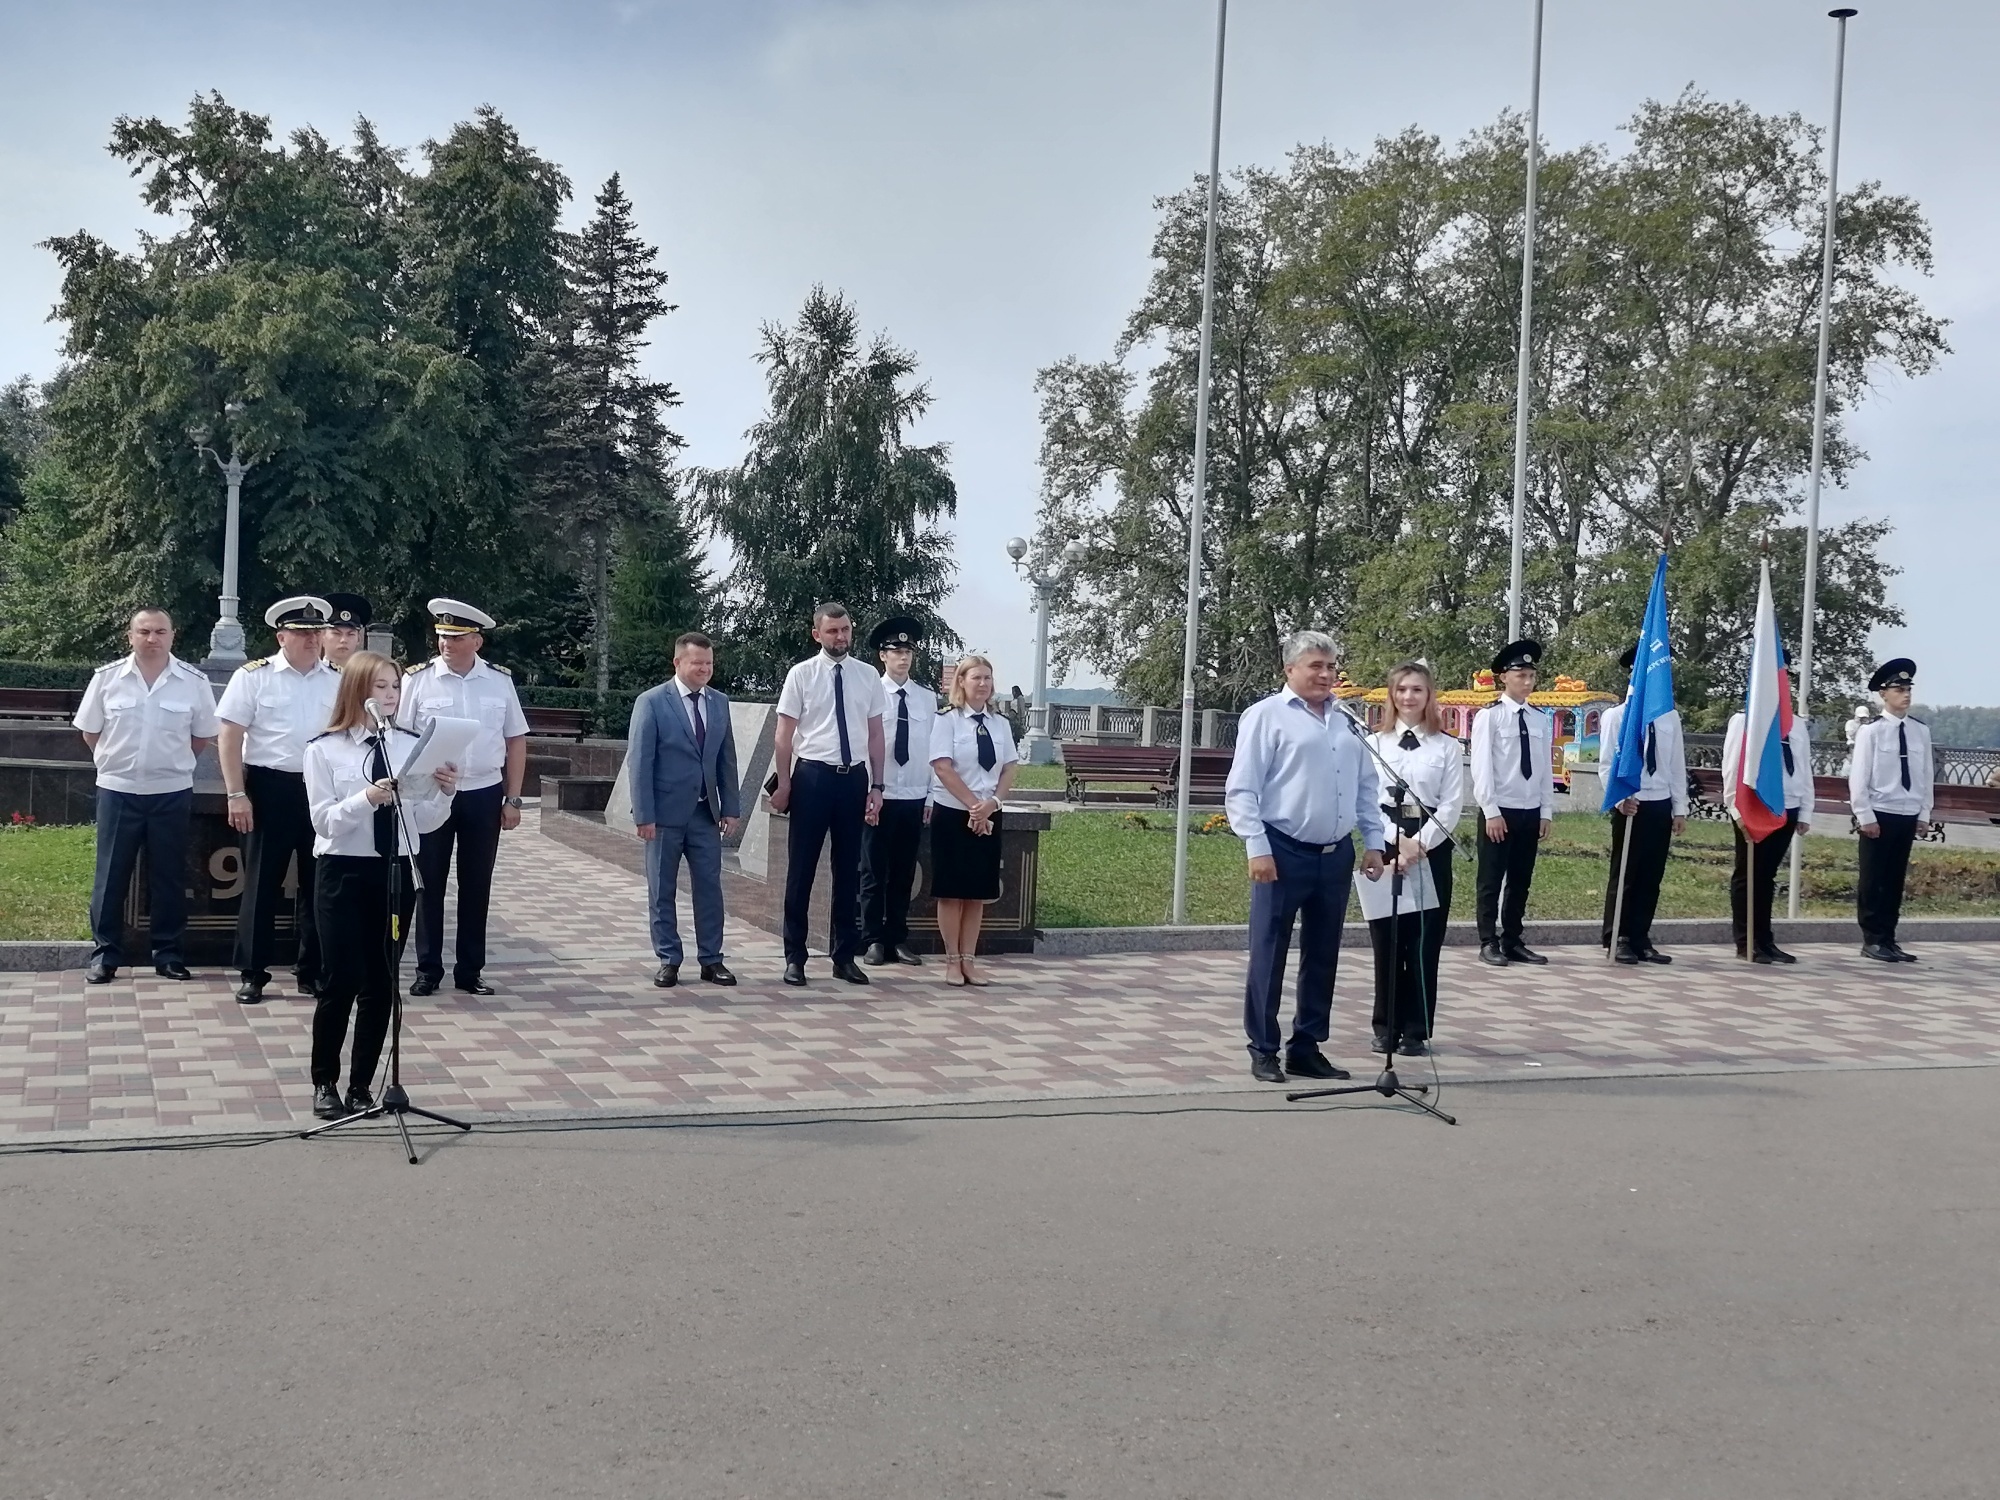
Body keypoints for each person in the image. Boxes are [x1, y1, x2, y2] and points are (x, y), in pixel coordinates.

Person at [1224, 631, 1387, 1084]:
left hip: (1335, 853)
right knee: (1269, 951)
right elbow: (1242, 788)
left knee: (1323, 953)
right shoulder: (1266, 717)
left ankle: (1307, 1045)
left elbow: (1367, 787)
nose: (1326, 674)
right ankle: (1263, 1047)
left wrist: (1374, 840)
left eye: (1332, 666)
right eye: (1316, 666)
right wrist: (1256, 846)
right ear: (1289, 669)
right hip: (1282, 850)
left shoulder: (1348, 721)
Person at [302, 652, 458, 1121]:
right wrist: (367, 797)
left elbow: (423, 822)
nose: (389, 696)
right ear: (356, 691)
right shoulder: (324, 749)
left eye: (394, 688)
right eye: (380, 687)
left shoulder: (409, 745)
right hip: (343, 872)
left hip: (393, 872)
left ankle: (361, 1086)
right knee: (341, 979)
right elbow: (324, 821)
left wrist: (444, 792)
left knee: (380, 983)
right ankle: (324, 1080)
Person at [72, 609, 221, 984]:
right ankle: (105, 955)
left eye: (159, 632)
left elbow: (201, 735)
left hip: (170, 791)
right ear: (130, 636)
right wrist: (113, 762)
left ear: (173, 635)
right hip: (118, 789)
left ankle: (168, 954)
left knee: (169, 875)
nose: (152, 638)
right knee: (110, 875)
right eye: (144, 631)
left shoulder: (193, 681)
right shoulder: (107, 680)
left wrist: (173, 764)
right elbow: (91, 732)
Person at [216, 595, 341, 1004]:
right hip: (268, 788)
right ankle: (253, 972)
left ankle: (313, 970)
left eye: (316, 633)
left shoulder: (338, 679)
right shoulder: (254, 677)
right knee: (261, 886)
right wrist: (236, 793)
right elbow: (230, 737)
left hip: (321, 789)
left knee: (318, 885)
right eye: (301, 633)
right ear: (280, 636)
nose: (311, 640)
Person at [403, 598, 530, 996]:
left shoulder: (499, 681)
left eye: (455, 638)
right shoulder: (417, 680)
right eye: (441, 636)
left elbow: (515, 740)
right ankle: (428, 969)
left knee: (477, 884)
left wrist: (513, 799)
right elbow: (402, 738)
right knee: (429, 883)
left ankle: (470, 970)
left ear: (476, 641)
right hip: (432, 792)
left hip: (482, 792)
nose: (445, 644)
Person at [770, 602, 886, 987]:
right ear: (816, 634)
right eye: (833, 631)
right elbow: (784, 735)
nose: (841, 637)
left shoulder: (868, 676)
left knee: (848, 871)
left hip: (852, 778)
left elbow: (875, 735)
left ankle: (844, 956)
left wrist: (877, 785)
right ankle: (795, 957)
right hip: (813, 777)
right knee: (801, 870)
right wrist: (784, 784)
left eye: (846, 630)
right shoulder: (801, 674)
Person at [626, 631, 741, 989]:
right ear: (678, 663)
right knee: (662, 889)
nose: (705, 669)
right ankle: (668, 959)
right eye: (697, 663)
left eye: (709, 663)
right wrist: (644, 814)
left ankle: (712, 960)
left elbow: (726, 759)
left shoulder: (719, 702)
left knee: (710, 887)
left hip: (705, 814)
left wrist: (731, 807)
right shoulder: (652, 702)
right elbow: (640, 762)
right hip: (663, 815)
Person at [1365, 661, 1463, 1056]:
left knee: (1423, 942)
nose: (1409, 697)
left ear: (1429, 696)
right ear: (1392, 695)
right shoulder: (1375, 744)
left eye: (1417, 690)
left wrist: (1420, 842)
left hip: (1431, 849)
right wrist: (1398, 841)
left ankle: (1416, 1028)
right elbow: (1368, 800)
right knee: (1387, 940)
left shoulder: (1447, 746)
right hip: (1385, 845)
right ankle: (1385, 1024)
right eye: (1402, 689)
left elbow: (1453, 803)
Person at [928, 654, 1019, 986]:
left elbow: (1009, 766)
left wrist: (991, 804)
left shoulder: (1000, 723)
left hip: (988, 814)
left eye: (987, 679)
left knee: (977, 892)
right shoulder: (947, 720)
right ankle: (952, 960)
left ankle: (970, 959)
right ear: (961, 682)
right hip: (954, 813)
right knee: (952, 891)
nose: (983, 684)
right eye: (976, 678)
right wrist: (972, 806)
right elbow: (942, 766)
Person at [1599, 643, 1689, 964]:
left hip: (1659, 804)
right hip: (1631, 804)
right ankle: (1617, 936)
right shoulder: (1617, 716)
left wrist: (1680, 808)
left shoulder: (1669, 718)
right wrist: (1620, 799)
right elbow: (1607, 764)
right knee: (1626, 873)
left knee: (1652, 875)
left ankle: (1640, 936)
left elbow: (1676, 765)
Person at [1468, 639, 1554, 967]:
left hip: (1530, 810)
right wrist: (1490, 811)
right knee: (1491, 878)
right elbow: (1482, 768)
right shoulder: (1490, 717)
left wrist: (1546, 810)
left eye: (1532, 675)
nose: (1528, 681)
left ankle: (1513, 939)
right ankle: (1487, 940)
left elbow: (1545, 767)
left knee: (1521, 879)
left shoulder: (1539, 719)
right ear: (1504, 677)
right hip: (1500, 809)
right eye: (1521, 675)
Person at [1721, 671, 1814, 964]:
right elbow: (1731, 767)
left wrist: (1805, 810)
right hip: (1755, 808)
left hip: (1789, 806)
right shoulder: (1744, 720)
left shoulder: (1795, 724)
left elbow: (1804, 770)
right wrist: (1735, 808)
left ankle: (1765, 939)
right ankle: (1746, 940)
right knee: (1749, 874)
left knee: (1768, 876)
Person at [861, 616, 935, 967]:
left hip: (914, 795)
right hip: (880, 795)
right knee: (874, 871)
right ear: (882, 656)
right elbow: (863, 746)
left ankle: (898, 938)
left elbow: (935, 751)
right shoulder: (869, 694)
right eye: (895, 651)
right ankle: (873, 938)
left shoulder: (926, 699)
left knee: (905, 872)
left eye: (907, 651)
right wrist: (867, 792)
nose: (903, 658)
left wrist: (931, 796)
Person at [1849, 658, 1934, 963]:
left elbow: (1925, 775)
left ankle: (1889, 937)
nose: (1906, 694)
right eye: (1899, 689)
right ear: (1883, 694)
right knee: (1874, 879)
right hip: (1880, 812)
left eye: (1908, 688)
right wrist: (1865, 815)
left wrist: (1924, 813)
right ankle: (1872, 939)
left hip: (1907, 813)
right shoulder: (1871, 732)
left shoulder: (1919, 731)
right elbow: (1858, 777)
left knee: (1895, 879)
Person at [321, 593, 371, 670]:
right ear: (322, 636)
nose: (343, 640)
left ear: (359, 639)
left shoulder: (366, 678)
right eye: (337, 633)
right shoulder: (309, 676)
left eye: (350, 634)